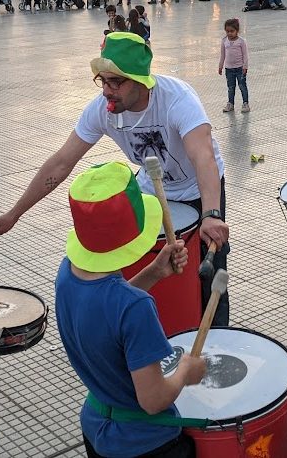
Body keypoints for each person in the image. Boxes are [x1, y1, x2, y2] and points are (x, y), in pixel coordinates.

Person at [0, 33, 232, 324]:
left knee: (209, 269)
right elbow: (62, 163)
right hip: (151, 190)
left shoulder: (177, 99)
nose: (107, 92)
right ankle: (143, 329)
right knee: (146, 264)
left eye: (116, 82)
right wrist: (14, 213)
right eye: (103, 81)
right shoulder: (102, 111)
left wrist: (211, 214)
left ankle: (215, 338)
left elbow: (204, 156)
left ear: (139, 80)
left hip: (198, 188)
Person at [55, 162, 206, 458]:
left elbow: (106, 315)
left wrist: (153, 273)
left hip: (97, 423)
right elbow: (153, 400)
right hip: (144, 443)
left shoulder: (67, 275)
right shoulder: (136, 307)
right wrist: (186, 371)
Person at [218, 18, 250, 113]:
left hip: (240, 68)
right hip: (229, 69)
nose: (229, 33)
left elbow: (245, 55)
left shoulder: (241, 41)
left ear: (237, 31)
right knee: (230, 87)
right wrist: (220, 66)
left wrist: (245, 66)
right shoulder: (224, 41)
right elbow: (222, 54)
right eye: (227, 31)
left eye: (232, 31)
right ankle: (230, 104)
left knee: (242, 86)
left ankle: (245, 103)